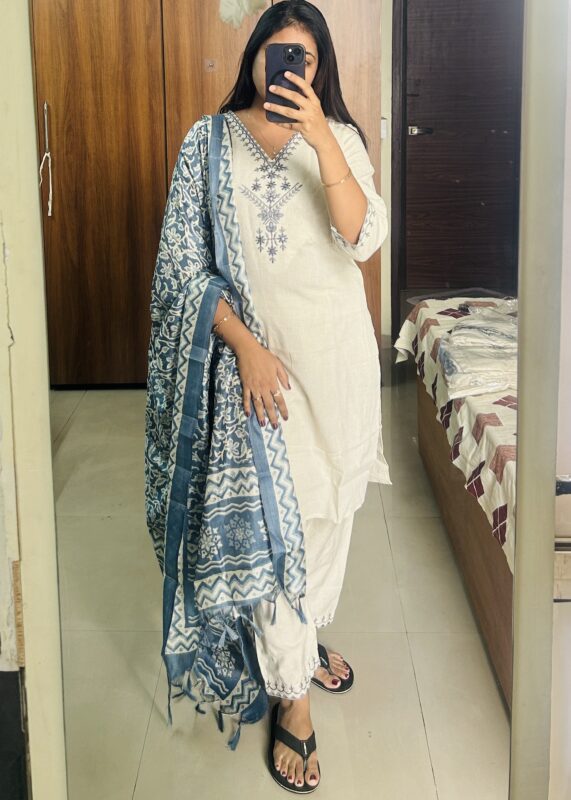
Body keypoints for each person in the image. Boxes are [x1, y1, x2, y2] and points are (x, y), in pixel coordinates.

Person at [144, 0, 390, 795]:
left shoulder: (340, 138)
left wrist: (321, 138)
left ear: (319, 69)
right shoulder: (209, 142)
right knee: (277, 532)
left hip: (339, 366)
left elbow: (362, 239)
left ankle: (300, 643)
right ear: (254, 57)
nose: (287, 67)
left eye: (303, 58)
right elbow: (182, 264)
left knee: (329, 515)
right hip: (261, 380)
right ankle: (293, 699)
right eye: (276, 53)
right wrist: (246, 348)